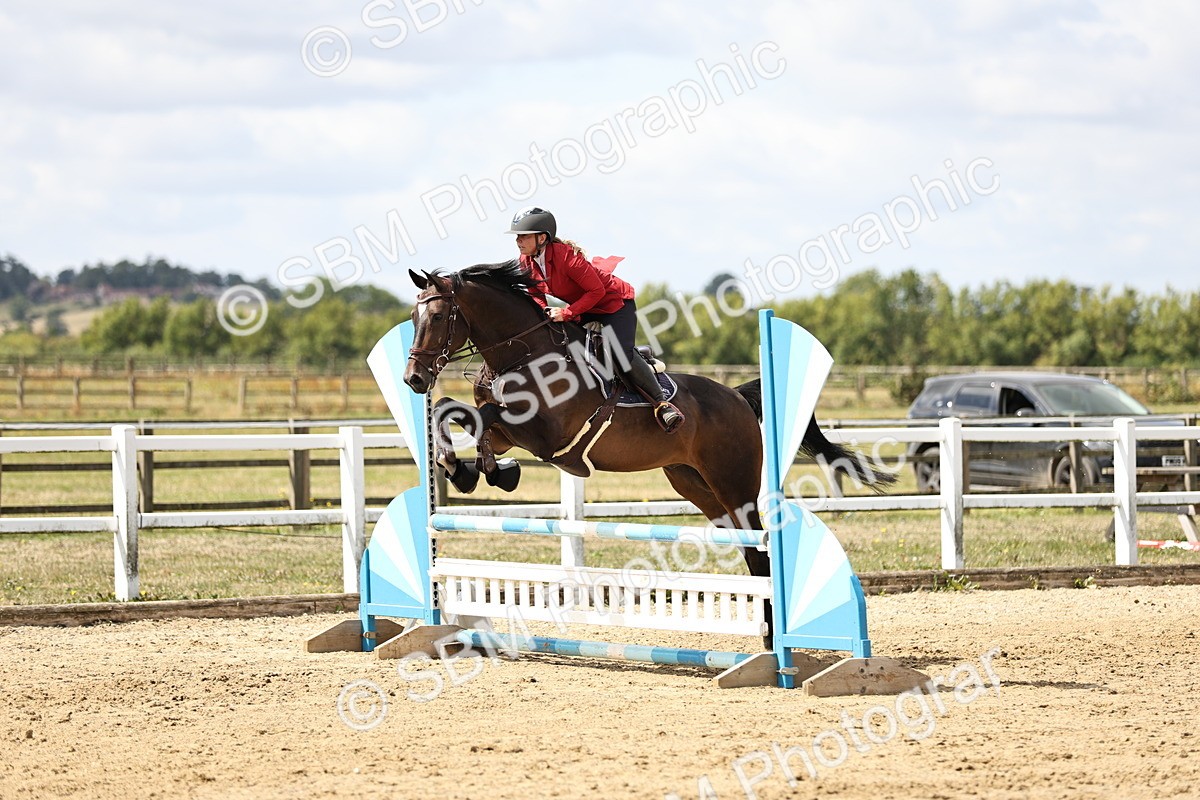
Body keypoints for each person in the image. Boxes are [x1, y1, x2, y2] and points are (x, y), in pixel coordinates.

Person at [504, 206, 685, 434]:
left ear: (542, 238)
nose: (518, 241)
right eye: (517, 236)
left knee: (621, 355)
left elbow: (597, 291)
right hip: (584, 307)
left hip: (613, 304)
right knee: (558, 340)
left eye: (524, 236)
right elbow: (535, 292)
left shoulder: (565, 256)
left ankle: (661, 403)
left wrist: (566, 313)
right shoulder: (526, 260)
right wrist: (544, 312)